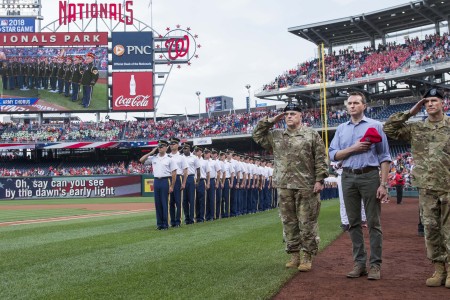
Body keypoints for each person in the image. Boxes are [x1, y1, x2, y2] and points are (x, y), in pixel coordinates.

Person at [384, 88, 450, 288]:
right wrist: (410, 112)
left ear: (442, 103)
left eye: (434, 100)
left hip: (448, 186)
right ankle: (439, 269)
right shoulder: (416, 128)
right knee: (431, 230)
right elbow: (389, 129)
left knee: (449, 229)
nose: (430, 104)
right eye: (426, 102)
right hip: (426, 188)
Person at [253, 102, 329, 272]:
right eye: (286, 114)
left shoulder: (311, 135)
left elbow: (320, 159)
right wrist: (271, 120)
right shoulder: (276, 135)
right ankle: (294, 256)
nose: (289, 116)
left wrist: (319, 180)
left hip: (306, 185)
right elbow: (256, 135)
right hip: (284, 185)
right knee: (289, 222)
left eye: (293, 113)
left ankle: (307, 256)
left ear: (301, 116)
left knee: (307, 222)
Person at [329, 92, 391, 280]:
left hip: (369, 175)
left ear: (364, 105)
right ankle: (359, 263)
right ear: (346, 107)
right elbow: (333, 155)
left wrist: (384, 184)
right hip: (348, 176)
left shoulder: (376, 125)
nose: (352, 106)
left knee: (373, 222)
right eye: (350, 103)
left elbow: (385, 157)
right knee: (353, 223)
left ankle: (375, 265)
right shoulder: (341, 129)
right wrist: (353, 149)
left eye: (356, 103)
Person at [139, 140, 176, 230]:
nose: (160, 148)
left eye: (162, 146)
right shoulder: (154, 157)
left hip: (165, 180)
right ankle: (159, 224)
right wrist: (151, 152)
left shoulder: (170, 158)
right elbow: (141, 160)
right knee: (158, 203)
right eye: (159, 146)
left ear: (166, 147)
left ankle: (165, 224)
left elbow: (174, 173)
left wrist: (172, 186)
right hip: (156, 180)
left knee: (165, 203)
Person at [332, 162, 367, 231]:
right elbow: (333, 168)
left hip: (356, 175)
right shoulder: (337, 152)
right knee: (342, 201)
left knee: (360, 199)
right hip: (341, 176)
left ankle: (363, 219)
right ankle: (345, 223)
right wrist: (340, 163)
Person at [168, 137, 188, 227]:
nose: (172, 145)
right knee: (171, 202)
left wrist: (183, 183)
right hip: (169, 178)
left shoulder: (181, 157)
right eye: (171, 144)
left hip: (178, 178)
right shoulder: (167, 156)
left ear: (178, 145)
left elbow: (185, 171)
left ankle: (178, 221)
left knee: (178, 201)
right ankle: (172, 221)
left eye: (174, 144)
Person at [182, 143, 198, 225]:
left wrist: (197, 180)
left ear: (189, 149)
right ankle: (186, 218)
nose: (185, 149)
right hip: (183, 178)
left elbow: (198, 169)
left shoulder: (194, 157)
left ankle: (192, 218)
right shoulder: (181, 157)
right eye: (184, 148)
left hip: (191, 178)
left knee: (191, 200)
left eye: (187, 148)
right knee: (184, 200)